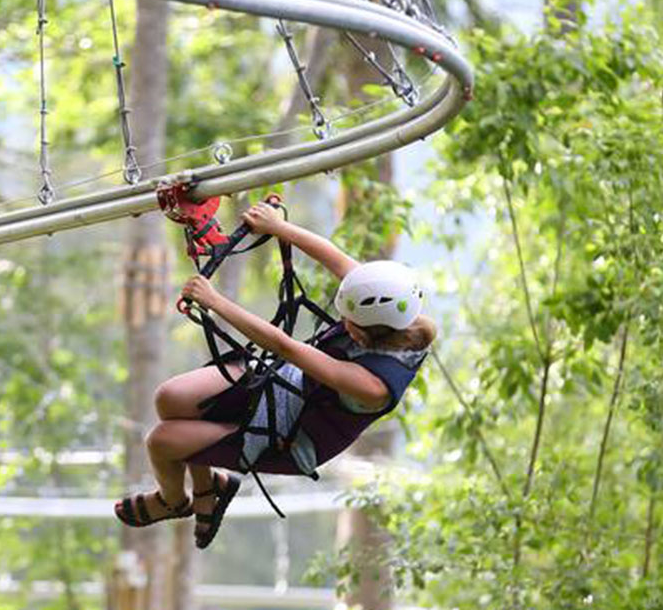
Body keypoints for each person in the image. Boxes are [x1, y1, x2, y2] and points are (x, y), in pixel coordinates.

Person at [114, 201, 436, 549]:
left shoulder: (373, 387)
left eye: (350, 323)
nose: (343, 323)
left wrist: (216, 302)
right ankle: (209, 489)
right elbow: (335, 258)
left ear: (369, 334)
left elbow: (287, 347)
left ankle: (173, 500)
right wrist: (278, 227)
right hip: (285, 381)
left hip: (289, 436)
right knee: (170, 398)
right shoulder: (396, 307)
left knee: (161, 441)